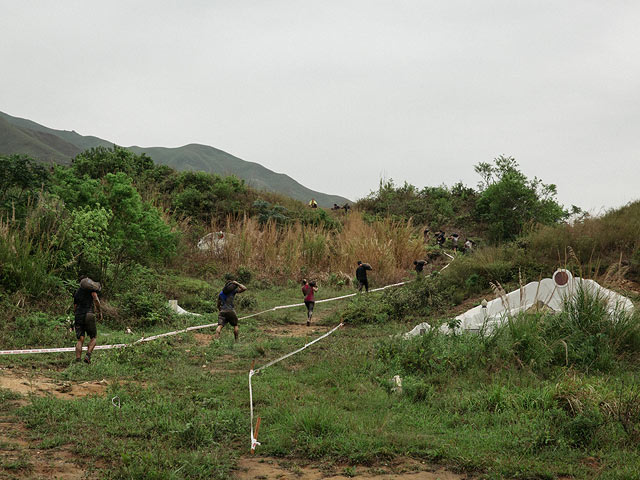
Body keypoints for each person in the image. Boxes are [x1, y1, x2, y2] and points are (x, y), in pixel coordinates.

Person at [73, 276, 102, 364]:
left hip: (78, 315)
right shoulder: (92, 291)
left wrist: (77, 315)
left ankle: (78, 360)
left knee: (80, 339)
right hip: (89, 314)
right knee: (93, 337)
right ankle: (88, 355)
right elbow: (96, 300)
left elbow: (75, 307)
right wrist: (99, 312)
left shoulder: (77, 292)